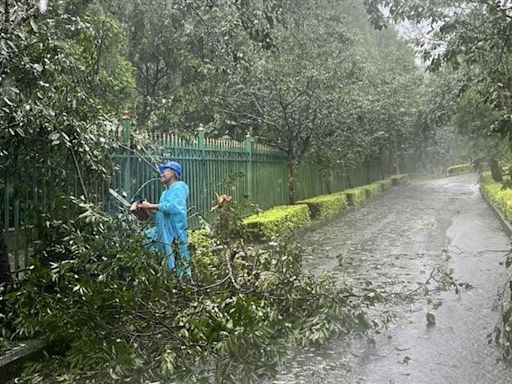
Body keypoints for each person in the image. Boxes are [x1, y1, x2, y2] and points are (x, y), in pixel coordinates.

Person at [138, 161, 191, 279]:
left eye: (164, 171)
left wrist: (151, 206)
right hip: (162, 230)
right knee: (144, 240)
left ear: (172, 173)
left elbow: (172, 207)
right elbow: (162, 210)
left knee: (178, 257)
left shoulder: (179, 187)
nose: (161, 174)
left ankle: (182, 283)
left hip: (174, 230)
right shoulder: (165, 192)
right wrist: (145, 209)